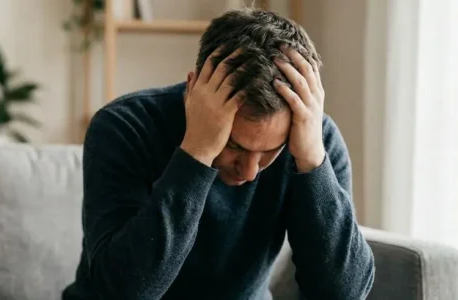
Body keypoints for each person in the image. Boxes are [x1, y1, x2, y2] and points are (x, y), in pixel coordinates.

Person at [62, 8, 374, 300]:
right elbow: (123, 292)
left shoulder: (313, 139)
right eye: (235, 145)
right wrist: (197, 152)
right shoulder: (124, 126)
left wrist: (312, 163)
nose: (250, 171)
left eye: (269, 151)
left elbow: (343, 294)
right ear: (194, 93)